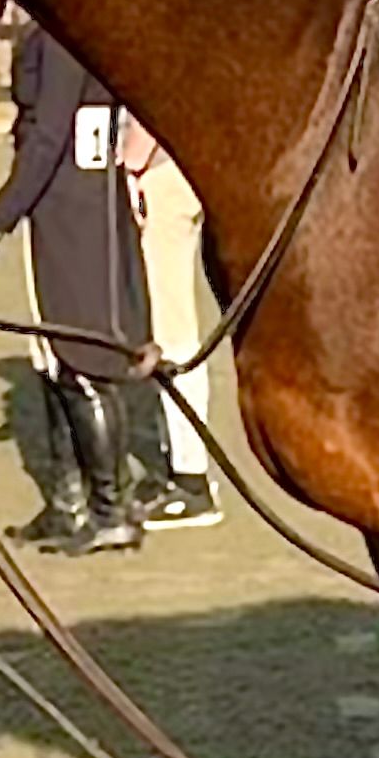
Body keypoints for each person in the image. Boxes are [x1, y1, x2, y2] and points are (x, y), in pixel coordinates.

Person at [0, 23, 149, 556]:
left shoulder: (64, 40)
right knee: (52, 358)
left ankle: (111, 510)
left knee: (82, 360)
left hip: (73, 209)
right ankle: (70, 503)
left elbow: (49, 134)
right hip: (70, 205)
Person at [120, 122, 223, 529]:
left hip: (163, 174)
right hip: (182, 169)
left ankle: (192, 482)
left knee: (171, 333)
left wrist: (131, 165)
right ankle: (181, 468)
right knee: (170, 326)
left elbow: (149, 113)